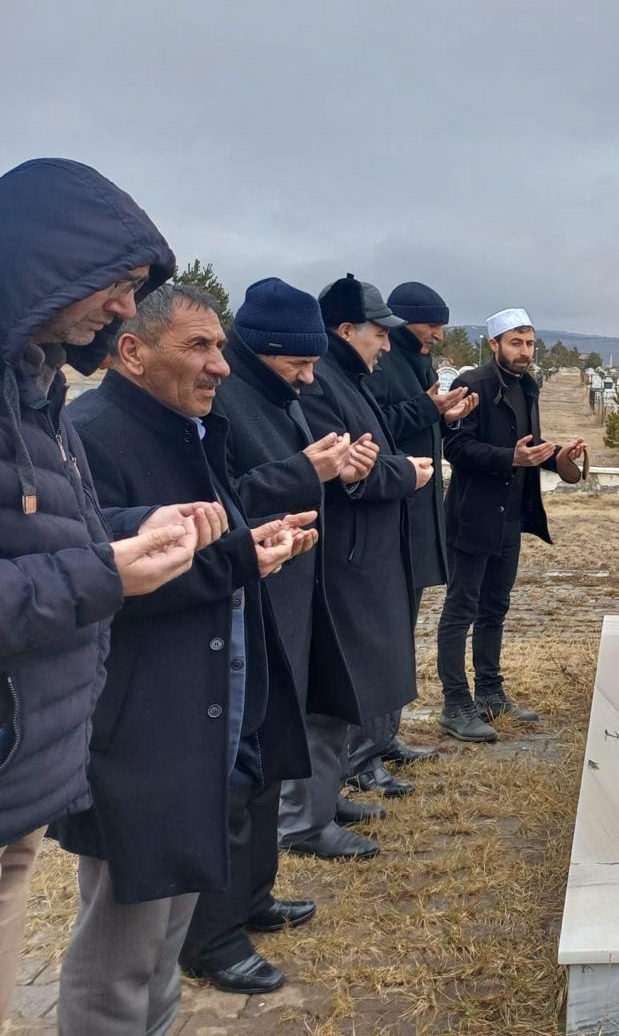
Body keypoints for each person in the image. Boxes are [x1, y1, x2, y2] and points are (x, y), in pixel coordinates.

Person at [56, 283, 314, 1029]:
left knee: (162, 950)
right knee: (118, 960)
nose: (220, 367)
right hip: (136, 738)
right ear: (131, 351)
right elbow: (100, 570)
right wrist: (233, 559)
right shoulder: (91, 431)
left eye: (220, 347)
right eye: (197, 347)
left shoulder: (192, 430)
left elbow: (197, 549)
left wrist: (246, 550)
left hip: (197, 727)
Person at [0, 158, 202, 1019]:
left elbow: (51, 535)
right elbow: (71, 566)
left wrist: (143, 528)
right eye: (115, 286)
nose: (125, 307)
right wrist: (104, 570)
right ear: (46, 264)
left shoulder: (35, 391)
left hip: (23, 775)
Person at [215, 278, 379, 865]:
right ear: (258, 349)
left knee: (304, 714)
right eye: (299, 362)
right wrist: (305, 471)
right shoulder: (221, 398)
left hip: (301, 579)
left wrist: (342, 469)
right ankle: (282, 844)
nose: (309, 377)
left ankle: (282, 852)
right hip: (252, 592)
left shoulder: (278, 391)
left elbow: (303, 472)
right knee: (258, 737)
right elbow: (220, 501)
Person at [299, 275, 434, 798]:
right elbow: (349, 467)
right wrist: (406, 474)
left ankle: (349, 774)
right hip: (347, 552)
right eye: (378, 333)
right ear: (347, 328)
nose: (385, 343)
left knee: (374, 661)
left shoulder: (346, 376)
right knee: (348, 672)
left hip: (369, 549)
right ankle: (330, 791)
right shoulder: (323, 381)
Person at [436, 308, 586, 742]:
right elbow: (456, 447)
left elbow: (529, 444)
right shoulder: (474, 385)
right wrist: (510, 458)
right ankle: (455, 703)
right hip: (473, 515)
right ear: (494, 345)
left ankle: (490, 693)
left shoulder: (528, 386)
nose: (524, 352)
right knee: (460, 610)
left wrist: (557, 455)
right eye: (515, 343)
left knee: (494, 609)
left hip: (511, 516)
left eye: (530, 343)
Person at [367, 281, 476, 767]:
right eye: (431, 324)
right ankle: (364, 746)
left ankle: (385, 736)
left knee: (401, 628)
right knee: (382, 630)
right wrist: (427, 408)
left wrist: (445, 417)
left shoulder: (419, 361)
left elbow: (417, 425)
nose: (437, 334)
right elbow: (376, 425)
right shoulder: (384, 363)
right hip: (392, 512)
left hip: (418, 511)